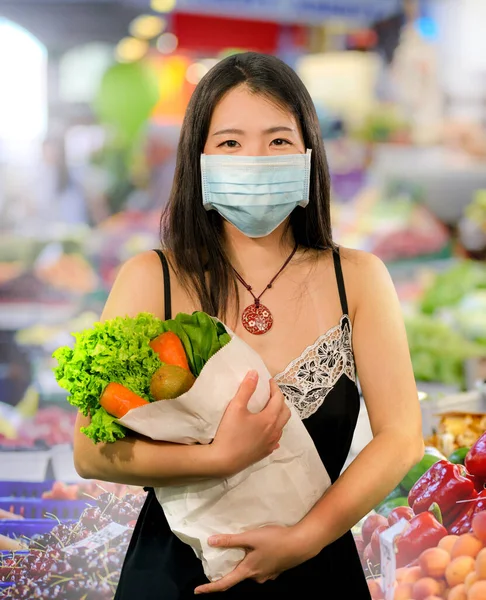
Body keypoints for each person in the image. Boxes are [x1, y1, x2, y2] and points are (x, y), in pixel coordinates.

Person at [73, 52, 423, 598]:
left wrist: (306, 538)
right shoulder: (151, 279)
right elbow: (92, 453)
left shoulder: (356, 277)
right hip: (173, 576)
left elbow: (401, 438)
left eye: (278, 141)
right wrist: (220, 457)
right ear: (200, 157)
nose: (255, 158)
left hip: (318, 566)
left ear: (308, 153)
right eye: (231, 142)